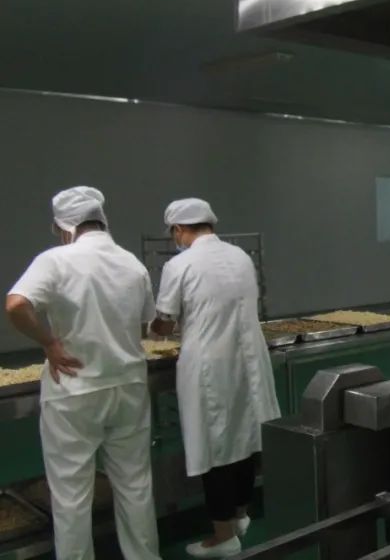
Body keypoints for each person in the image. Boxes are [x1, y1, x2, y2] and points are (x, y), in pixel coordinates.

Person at [5, 187, 161, 560]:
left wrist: (48, 342)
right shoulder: (132, 264)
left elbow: (16, 305)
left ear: (65, 227)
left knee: (71, 495)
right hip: (128, 386)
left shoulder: (56, 260)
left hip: (75, 391)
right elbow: (145, 324)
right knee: (135, 485)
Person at [149, 198, 280, 558]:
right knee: (245, 438)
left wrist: (150, 326)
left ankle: (223, 537)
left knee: (216, 448)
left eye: (174, 233)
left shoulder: (179, 265)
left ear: (178, 229)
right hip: (249, 361)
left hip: (210, 364)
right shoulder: (241, 257)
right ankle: (240, 515)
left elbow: (165, 323)